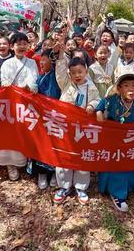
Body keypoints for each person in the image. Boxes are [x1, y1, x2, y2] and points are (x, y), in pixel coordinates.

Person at [96, 74, 134, 212]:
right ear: (119, 88)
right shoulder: (111, 100)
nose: (131, 89)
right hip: (114, 134)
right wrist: (99, 113)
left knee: (131, 158)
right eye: (126, 85)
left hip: (132, 133)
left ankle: (131, 184)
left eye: (133, 86)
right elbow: (98, 108)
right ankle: (117, 193)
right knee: (118, 162)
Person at [53, 40, 99, 205]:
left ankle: (81, 187)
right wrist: (59, 55)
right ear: (70, 74)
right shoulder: (66, 84)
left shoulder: (91, 87)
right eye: (74, 73)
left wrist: (91, 106)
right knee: (64, 155)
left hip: (83, 128)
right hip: (66, 126)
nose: (77, 75)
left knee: (82, 157)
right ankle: (64, 186)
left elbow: (97, 100)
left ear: (86, 71)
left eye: (80, 72)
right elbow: (60, 72)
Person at [0, 32, 38, 181]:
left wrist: (30, 87)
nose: (21, 47)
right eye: (18, 44)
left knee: (25, 131)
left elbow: (34, 81)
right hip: (11, 102)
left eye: (24, 44)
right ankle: (10, 164)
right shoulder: (7, 63)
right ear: (12, 46)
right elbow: (5, 83)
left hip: (27, 102)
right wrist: (20, 87)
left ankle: (25, 161)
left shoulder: (32, 63)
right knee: (9, 132)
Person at [29, 49, 61, 189]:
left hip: (57, 116)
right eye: (40, 60)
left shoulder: (57, 76)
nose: (41, 63)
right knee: (42, 145)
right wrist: (32, 88)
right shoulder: (40, 77)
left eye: (45, 60)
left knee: (56, 145)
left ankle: (54, 173)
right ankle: (41, 173)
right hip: (42, 117)